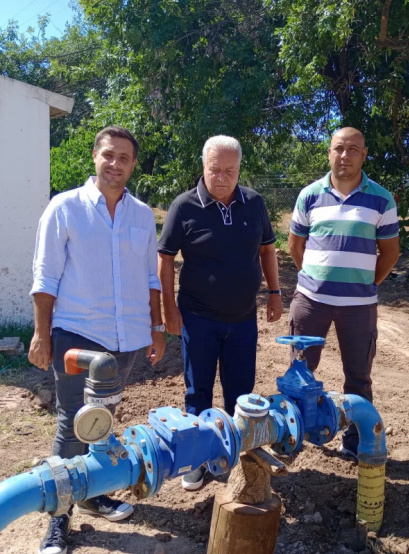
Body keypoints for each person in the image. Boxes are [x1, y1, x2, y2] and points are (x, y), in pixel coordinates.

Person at [29, 126, 166, 554]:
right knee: (72, 425)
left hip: (125, 339)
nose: (115, 164)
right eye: (108, 155)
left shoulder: (142, 214)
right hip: (76, 334)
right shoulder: (65, 207)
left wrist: (157, 328)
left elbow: (150, 277)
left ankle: (90, 492)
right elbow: (45, 277)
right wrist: (40, 332)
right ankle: (59, 520)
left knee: (101, 422)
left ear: (132, 164)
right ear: (95, 156)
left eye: (124, 158)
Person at [158, 135, 282, 490]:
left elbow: (267, 251)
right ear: (204, 166)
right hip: (199, 318)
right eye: (215, 169)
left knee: (241, 394)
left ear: (239, 168)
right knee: (198, 392)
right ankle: (198, 460)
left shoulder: (254, 203)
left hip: (243, 318)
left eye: (230, 170)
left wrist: (275, 293)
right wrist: (170, 308)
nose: (222, 177)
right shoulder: (184, 207)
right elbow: (165, 259)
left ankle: (234, 456)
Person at [288, 127, 400, 458]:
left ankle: (354, 440)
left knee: (359, 377)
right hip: (310, 302)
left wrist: (365, 284)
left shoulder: (382, 198)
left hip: (358, 307)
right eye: (339, 148)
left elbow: (390, 254)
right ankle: (297, 434)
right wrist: (316, 279)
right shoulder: (309, 195)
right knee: (300, 372)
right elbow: (296, 247)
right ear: (329, 152)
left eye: (353, 149)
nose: (345, 155)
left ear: (364, 155)